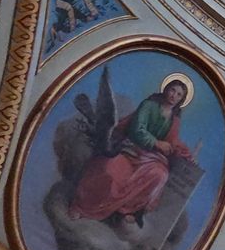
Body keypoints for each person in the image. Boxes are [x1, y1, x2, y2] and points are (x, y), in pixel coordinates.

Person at [69, 77, 195, 228]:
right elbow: (137, 130)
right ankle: (83, 207)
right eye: (172, 90)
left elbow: (173, 141)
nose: (174, 95)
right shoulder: (149, 105)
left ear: (181, 100)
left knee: (160, 174)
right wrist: (156, 143)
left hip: (151, 157)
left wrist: (186, 154)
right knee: (111, 172)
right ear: (166, 89)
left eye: (179, 94)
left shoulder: (174, 119)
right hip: (130, 149)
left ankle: (127, 209)